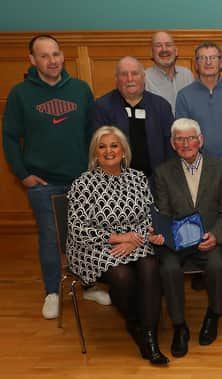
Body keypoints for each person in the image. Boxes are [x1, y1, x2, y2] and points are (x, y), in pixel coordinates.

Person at [2, 34, 109, 320]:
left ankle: (89, 285)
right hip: (43, 182)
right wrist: (22, 174)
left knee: (87, 235)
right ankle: (52, 291)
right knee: (50, 238)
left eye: (56, 54)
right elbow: (10, 137)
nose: (53, 60)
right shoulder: (20, 94)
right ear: (33, 60)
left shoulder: (80, 90)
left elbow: (92, 132)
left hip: (82, 179)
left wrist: (95, 169)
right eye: (45, 55)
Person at [66, 126, 169, 365]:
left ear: (123, 151)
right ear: (95, 154)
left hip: (135, 240)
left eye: (114, 145)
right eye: (102, 147)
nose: (108, 151)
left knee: (150, 267)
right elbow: (77, 230)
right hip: (93, 247)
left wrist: (135, 238)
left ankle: (150, 337)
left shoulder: (137, 178)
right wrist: (117, 238)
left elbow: (149, 216)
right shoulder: (83, 184)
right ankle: (135, 323)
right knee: (122, 276)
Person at [153, 118, 222, 357]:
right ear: (172, 143)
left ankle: (213, 314)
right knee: (167, 268)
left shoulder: (220, 168)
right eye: (179, 138)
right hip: (176, 242)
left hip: (208, 238)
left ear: (200, 141)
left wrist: (217, 235)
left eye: (190, 137)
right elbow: (164, 212)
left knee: (217, 265)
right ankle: (180, 326)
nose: (185, 143)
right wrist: (164, 236)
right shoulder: (162, 172)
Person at [176, 41, 222, 198]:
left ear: (221, 63)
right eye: (203, 58)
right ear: (196, 64)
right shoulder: (184, 95)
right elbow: (182, 135)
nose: (208, 62)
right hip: (195, 169)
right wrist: (200, 163)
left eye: (213, 57)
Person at [94, 56, 174, 179]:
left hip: (156, 182)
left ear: (143, 77)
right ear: (116, 79)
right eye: (124, 74)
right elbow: (98, 149)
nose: (130, 79)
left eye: (135, 74)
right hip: (117, 183)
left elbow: (170, 148)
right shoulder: (103, 107)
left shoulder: (161, 106)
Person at [145, 31, 195, 114]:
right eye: (158, 45)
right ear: (151, 53)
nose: (164, 49)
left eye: (168, 45)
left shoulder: (187, 75)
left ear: (176, 51)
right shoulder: (144, 78)